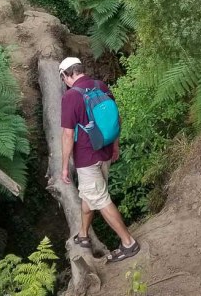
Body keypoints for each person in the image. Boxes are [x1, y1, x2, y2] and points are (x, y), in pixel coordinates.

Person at [59, 56, 140, 263]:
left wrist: (64, 166)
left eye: (63, 78)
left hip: (87, 158)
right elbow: (116, 119)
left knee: (101, 199)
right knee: (90, 195)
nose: (64, 81)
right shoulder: (100, 86)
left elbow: (67, 134)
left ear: (67, 74)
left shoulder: (71, 96)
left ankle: (128, 243)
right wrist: (115, 146)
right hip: (105, 152)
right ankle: (83, 235)